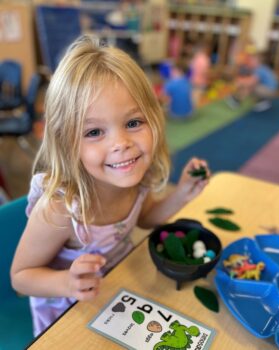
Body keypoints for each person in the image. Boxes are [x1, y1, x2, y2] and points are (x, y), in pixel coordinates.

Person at [10, 35, 210, 337]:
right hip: (67, 313)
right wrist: (67, 282)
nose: (121, 144)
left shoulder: (135, 178)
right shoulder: (62, 207)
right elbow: (21, 277)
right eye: (94, 132)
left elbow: (144, 218)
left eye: (133, 123)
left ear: (154, 119)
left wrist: (182, 193)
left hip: (116, 291)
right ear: (66, 142)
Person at [189, 42, 212, 107]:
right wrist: (209, 78)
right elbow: (205, 72)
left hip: (193, 79)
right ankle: (193, 110)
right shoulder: (205, 59)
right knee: (197, 97)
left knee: (192, 95)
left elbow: (191, 68)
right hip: (201, 81)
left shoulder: (195, 58)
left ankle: (191, 108)